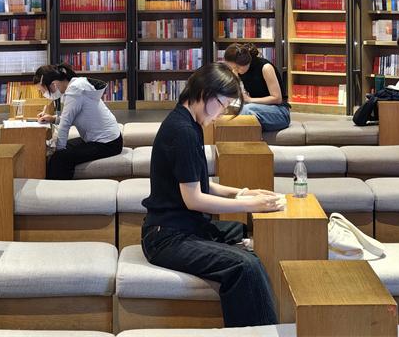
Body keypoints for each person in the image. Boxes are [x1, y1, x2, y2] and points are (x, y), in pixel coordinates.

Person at [142, 63, 283, 328]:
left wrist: (243, 192)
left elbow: (201, 184)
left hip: (183, 227)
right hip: (167, 237)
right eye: (222, 104)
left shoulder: (189, 123)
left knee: (248, 234)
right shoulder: (182, 131)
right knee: (245, 266)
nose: (221, 114)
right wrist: (250, 204)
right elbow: (194, 199)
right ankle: (258, 332)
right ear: (205, 93)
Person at [34, 63, 123, 180]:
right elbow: (72, 116)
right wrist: (53, 118)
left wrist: (59, 152)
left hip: (108, 143)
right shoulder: (75, 86)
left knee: (60, 158)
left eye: (42, 91)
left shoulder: (74, 91)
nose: (43, 94)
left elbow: (65, 125)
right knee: (60, 149)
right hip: (103, 139)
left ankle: (57, 188)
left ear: (54, 84)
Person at [223, 43, 290, 132]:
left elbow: (277, 98)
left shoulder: (265, 68)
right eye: (232, 68)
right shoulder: (240, 70)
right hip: (258, 108)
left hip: (280, 112)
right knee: (226, 109)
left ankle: (244, 139)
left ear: (245, 62)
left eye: (237, 67)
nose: (235, 70)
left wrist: (250, 99)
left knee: (246, 110)